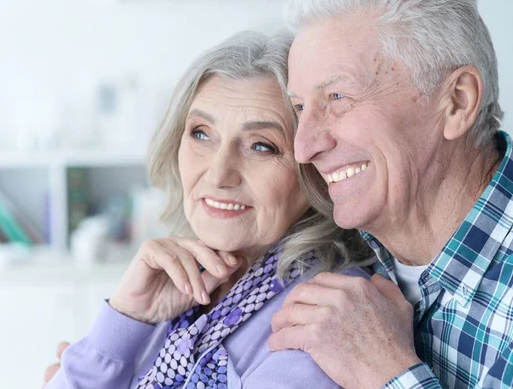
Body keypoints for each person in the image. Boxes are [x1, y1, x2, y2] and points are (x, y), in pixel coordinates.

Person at [43, 31, 375, 389]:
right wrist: (125, 319)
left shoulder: (325, 312)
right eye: (201, 134)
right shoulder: (174, 289)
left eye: (261, 146)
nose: (219, 175)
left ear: (311, 168)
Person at [268, 0, 513, 388]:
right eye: (300, 108)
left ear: (457, 102)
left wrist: (387, 375)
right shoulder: (336, 252)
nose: (304, 149)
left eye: (338, 97)